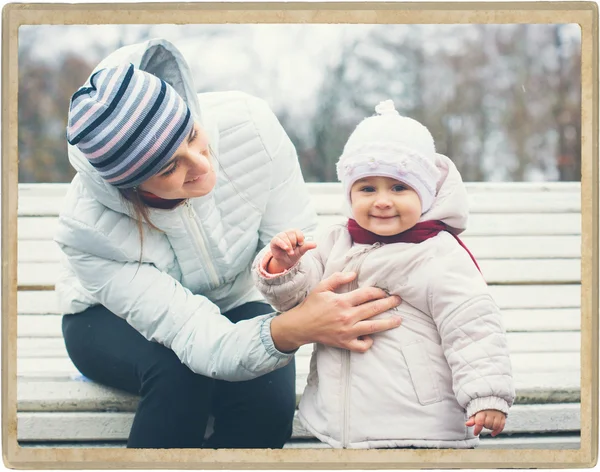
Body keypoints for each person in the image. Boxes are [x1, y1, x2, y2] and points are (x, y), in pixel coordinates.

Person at [55, 39, 402, 449]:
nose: (201, 164)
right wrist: (291, 330)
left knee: (267, 411)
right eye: (170, 167)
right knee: (180, 377)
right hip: (111, 322)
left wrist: (284, 274)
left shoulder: (250, 126)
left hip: (239, 297)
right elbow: (194, 336)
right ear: (131, 186)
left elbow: (299, 246)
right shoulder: (87, 230)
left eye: (191, 134)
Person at [252, 100, 516, 449]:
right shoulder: (336, 240)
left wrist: (486, 394)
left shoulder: (436, 253)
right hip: (341, 428)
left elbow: (471, 325)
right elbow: (294, 302)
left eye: (398, 188)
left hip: (422, 428)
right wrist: (282, 265)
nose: (381, 201)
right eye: (367, 188)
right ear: (349, 193)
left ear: (425, 193)